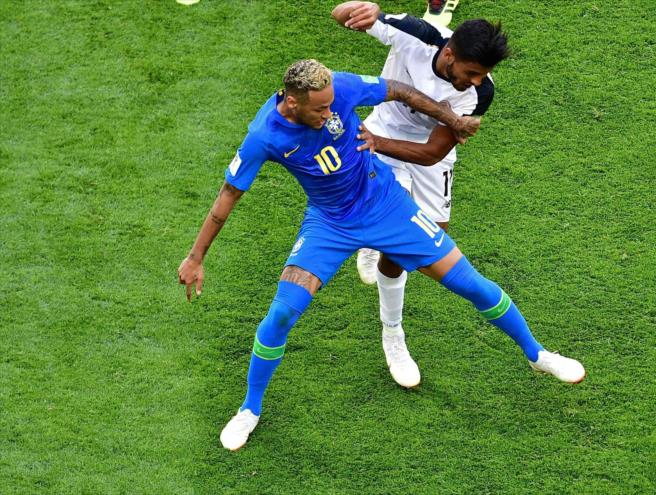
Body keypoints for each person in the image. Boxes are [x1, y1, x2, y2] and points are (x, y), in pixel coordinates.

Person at [177, 59, 584, 451]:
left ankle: (538, 355)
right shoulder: (264, 135)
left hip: (387, 204)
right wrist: (196, 258)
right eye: (320, 109)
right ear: (292, 100)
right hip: (329, 223)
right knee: (282, 312)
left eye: (332, 104)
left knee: (471, 284)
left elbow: (399, 90)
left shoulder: (340, 88)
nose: (329, 113)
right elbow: (228, 195)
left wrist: (452, 120)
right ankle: (250, 408)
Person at [332, 1, 507, 388]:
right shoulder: (414, 35)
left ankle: (374, 237)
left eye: (484, 75)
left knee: (429, 240)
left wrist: (377, 144)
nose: (477, 81)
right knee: (399, 242)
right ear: (449, 54)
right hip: (382, 133)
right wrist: (363, 8)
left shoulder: (480, 93)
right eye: (473, 72)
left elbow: (431, 153)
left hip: (422, 151)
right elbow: (339, 14)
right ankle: (393, 334)